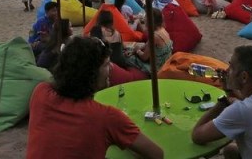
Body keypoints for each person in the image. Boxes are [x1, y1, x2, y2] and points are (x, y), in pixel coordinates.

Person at [26, 36, 163, 159]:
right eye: (106, 64)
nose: (111, 68)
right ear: (90, 73)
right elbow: (157, 154)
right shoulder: (107, 117)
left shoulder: (40, 92)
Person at [126, 8, 172, 76]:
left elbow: (144, 57)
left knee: (127, 58)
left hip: (157, 69)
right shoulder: (163, 30)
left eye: (145, 17)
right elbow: (147, 44)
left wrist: (137, 50)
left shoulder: (154, 36)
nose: (144, 19)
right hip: (166, 63)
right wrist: (136, 49)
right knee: (140, 45)